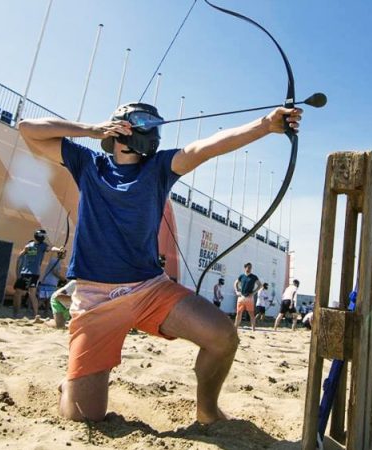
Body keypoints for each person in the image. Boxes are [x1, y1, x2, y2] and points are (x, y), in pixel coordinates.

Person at [19, 99, 302, 424]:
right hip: (95, 299)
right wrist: (91, 130)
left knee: (223, 337)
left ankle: (207, 411)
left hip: (150, 289)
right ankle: (71, 384)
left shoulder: (158, 168)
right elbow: (27, 129)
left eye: (157, 125)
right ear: (121, 127)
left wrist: (266, 125)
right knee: (83, 417)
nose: (153, 131)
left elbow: (204, 148)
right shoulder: (88, 163)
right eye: (144, 121)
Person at [13, 230, 63, 319]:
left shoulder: (42, 246)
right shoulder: (29, 246)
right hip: (25, 273)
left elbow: (51, 248)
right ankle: (17, 314)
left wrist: (59, 249)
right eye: (42, 235)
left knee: (31, 293)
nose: (43, 237)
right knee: (19, 292)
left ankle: (35, 315)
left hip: (33, 273)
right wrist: (18, 273)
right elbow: (20, 257)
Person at [234, 263, 261, 331]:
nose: (249, 269)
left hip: (249, 297)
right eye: (248, 267)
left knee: (251, 313)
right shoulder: (241, 276)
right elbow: (235, 283)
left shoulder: (254, 277)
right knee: (238, 313)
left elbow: (260, 285)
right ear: (245, 268)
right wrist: (237, 291)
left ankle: (253, 329)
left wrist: (254, 293)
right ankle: (235, 328)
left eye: (250, 268)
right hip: (241, 297)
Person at [39, 249, 66, 316]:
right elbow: (55, 272)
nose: (65, 255)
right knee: (44, 298)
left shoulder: (54, 260)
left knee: (49, 298)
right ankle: (35, 310)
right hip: (50, 282)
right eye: (64, 254)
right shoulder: (56, 261)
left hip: (51, 282)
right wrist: (63, 279)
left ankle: (46, 313)